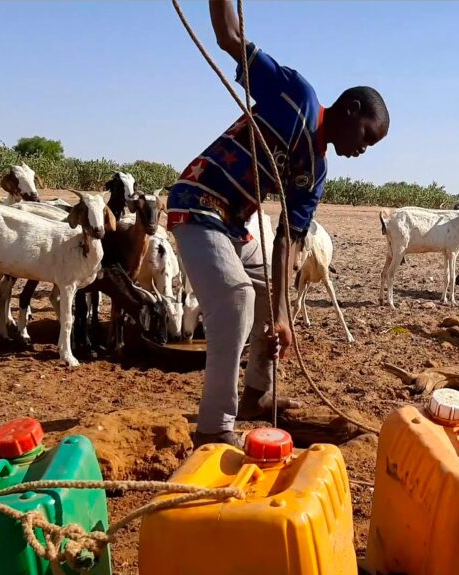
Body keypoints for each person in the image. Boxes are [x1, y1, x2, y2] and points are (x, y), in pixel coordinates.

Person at [167, 0, 390, 447]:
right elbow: (229, 36)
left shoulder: (316, 174)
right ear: (348, 111)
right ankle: (215, 426)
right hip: (197, 203)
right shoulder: (297, 97)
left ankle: (255, 391)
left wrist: (284, 315)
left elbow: (288, 237)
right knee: (235, 297)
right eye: (366, 135)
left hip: (231, 224)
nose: (363, 149)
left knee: (270, 291)